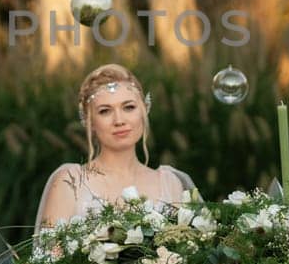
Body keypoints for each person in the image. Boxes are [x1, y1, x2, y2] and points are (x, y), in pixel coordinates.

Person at [35, 64, 197, 229]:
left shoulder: (171, 184)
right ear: (90, 121)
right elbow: (49, 253)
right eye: (105, 111)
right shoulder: (70, 182)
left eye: (129, 107)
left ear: (144, 110)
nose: (119, 120)